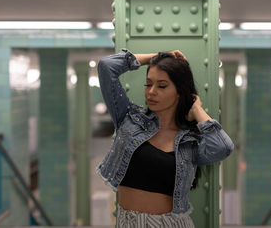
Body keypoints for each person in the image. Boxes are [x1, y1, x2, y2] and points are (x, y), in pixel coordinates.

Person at [96, 48, 234, 227]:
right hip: (126, 222)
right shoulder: (129, 118)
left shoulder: (189, 142)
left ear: (179, 91)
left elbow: (224, 147)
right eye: (148, 84)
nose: (151, 92)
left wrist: (197, 110)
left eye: (162, 86)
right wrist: (156, 58)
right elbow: (106, 66)